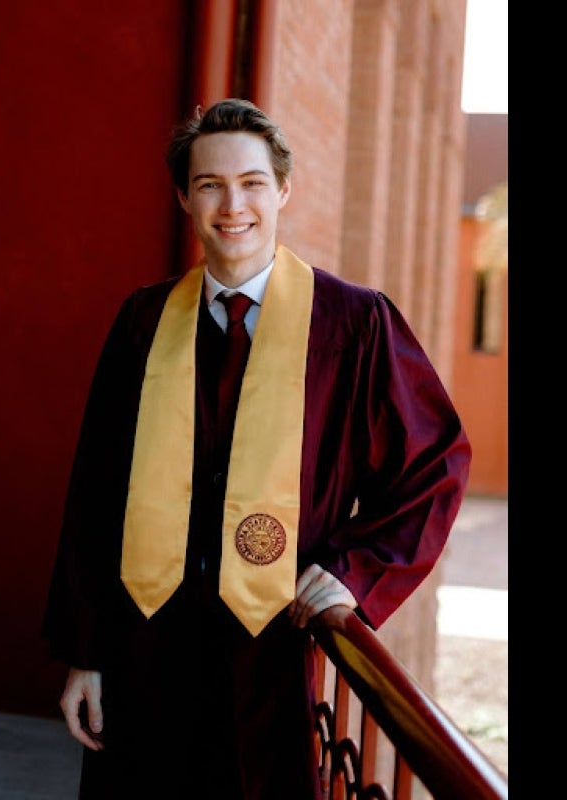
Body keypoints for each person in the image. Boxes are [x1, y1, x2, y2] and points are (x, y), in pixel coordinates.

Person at [42, 97, 471, 800]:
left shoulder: (353, 324)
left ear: (283, 190)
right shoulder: (144, 321)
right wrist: (86, 655)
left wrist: (358, 571)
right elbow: (95, 494)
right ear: (185, 197)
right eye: (209, 184)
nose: (231, 204)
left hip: (268, 655)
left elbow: (436, 462)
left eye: (251, 183)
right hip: (144, 650)